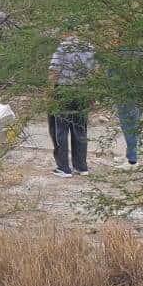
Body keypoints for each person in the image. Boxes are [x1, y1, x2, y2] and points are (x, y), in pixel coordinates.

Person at [47, 33, 97, 178]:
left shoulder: (63, 47)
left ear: (67, 32)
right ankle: (81, 167)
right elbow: (94, 72)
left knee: (60, 129)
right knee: (80, 129)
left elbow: (54, 71)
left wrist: (49, 93)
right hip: (83, 91)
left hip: (63, 91)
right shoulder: (90, 47)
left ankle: (63, 168)